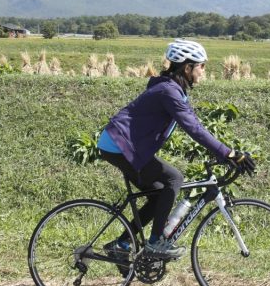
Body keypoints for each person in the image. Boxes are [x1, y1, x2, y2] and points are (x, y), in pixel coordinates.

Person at [96, 38, 255, 259]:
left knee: (160, 193)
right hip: (118, 145)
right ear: (187, 67)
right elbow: (194, 129)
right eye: (201, 66)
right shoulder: (168, 92)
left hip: (121, 145)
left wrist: (223, 151)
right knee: (174, 178)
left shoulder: (172, 89)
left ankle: (122, 244)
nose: (203, 71)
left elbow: (194, 125)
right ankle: (155, 244)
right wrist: (229, 153)